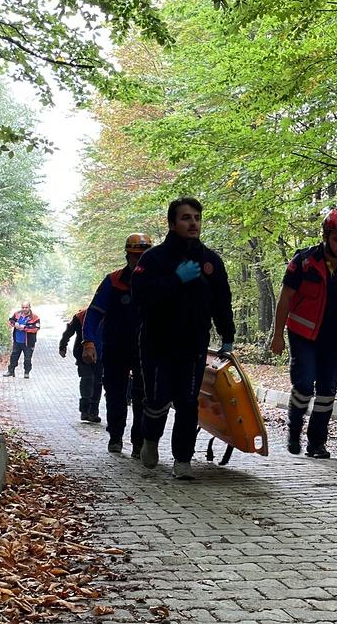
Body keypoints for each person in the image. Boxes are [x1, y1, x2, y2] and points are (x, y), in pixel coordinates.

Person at [133, 197, 234, 480]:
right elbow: (142, 298)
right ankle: (150, 440)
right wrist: (174, 280)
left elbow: (222, 301)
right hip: (156, 342)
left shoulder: (210, 261)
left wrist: (227, 335)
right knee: (156, 400)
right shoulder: (153, 259)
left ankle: (182, 460)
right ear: (172, 223)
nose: (193, 223)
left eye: (197, 218)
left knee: (188, 402)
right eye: (186, 218)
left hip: (193, 343)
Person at [270, 209, 337, 458]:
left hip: (334, 338)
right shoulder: (304, 262)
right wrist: (277, 335)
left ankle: (317, 442)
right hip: (303, 335)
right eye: (336, 240)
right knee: (303, 385)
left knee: (327, 391)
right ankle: (295, 427)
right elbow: (285, 298)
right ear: (325, 236)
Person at [82, 234, 153, 455]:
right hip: (114, 348)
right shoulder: (113, 281)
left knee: (144, 396)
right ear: (127, 256)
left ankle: (139, 442)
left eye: (142, 257)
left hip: (147, 349)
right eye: (134, 256)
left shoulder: (159, 282)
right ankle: (115, 436)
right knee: (115, 394)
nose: (138, 261)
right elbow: (93, 314)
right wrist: (88, 342)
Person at [60, 307, 102, 423]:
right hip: (83, 353)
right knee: (87, 379)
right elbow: (69, 331)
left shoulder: (108, 312)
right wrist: (62, 345)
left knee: (98, 382)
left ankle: (93, 411)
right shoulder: (80, 316)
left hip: (102, 353)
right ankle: (85, 411)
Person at [4, 301, 40, 378]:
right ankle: (10, 371)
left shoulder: (35, 317)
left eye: (26, 307)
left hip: (28, 342)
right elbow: (11, 320)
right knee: (13, 357)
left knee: (27, 358)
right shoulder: (17, 314)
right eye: (23, 307)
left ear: (30, 307)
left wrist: (25, 328)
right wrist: (15, 324)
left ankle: (26, 372)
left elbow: (36, 328)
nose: (24, 309)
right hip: (17, 341)